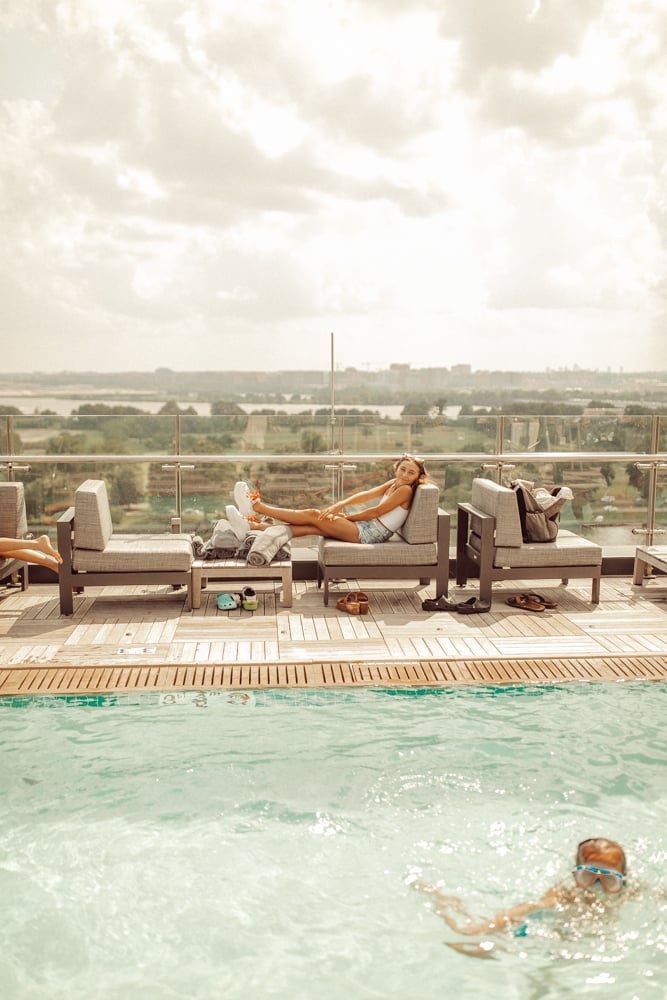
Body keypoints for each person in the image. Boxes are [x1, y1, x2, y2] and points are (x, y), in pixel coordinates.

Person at [410, 837, 629, 950]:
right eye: (588, 877)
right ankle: (441, 898)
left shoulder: (627, 893)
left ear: (623, 879)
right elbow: (530, 907)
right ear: (575, 876)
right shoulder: (565, 895)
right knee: (467, 930)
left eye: (608, 880)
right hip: (551, 929)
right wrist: (489, 926)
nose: (596, 885)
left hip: (578, 936)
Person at [231, 454, 431, 543]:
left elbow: (377, 511)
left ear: (417, 477)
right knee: (312, 527)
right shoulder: (395, 483)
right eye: (402, 469)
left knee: (313, 515)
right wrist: (341, 503)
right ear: (397, 468)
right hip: (369, 527)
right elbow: (367, 495)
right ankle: (252, 527)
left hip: (371, 534)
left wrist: (348, 519)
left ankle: (257, 507)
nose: (405, 474)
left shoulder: (406, 490)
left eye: (410, 472)